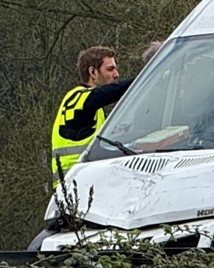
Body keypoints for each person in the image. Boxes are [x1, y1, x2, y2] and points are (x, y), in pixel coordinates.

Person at [50, 43, 159, 188]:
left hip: (82, 184)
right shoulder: (77, 98)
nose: (116, 74)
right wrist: (150, 74)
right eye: (110, 69)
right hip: (74, 185)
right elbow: (108, 93)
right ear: (93, 72)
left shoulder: (93, 108)